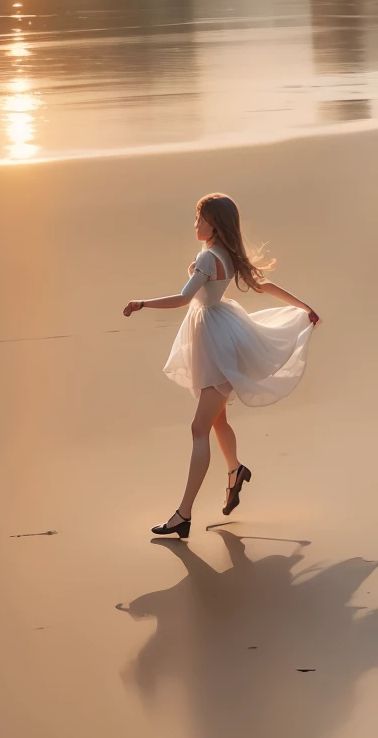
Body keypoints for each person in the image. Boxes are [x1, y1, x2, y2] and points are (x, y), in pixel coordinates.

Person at [123, 191, 320, 539]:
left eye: (200, 218)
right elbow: (263, 285)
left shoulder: (209, 259)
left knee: (199, 428)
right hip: (217, 334)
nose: (195, 224)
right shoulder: (224, 254)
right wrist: (304, 305)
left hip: (217, 343)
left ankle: (183, 514)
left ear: (215, 224)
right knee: (216, 421)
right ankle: (235, 470)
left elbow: (184, 298)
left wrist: (141, 303)